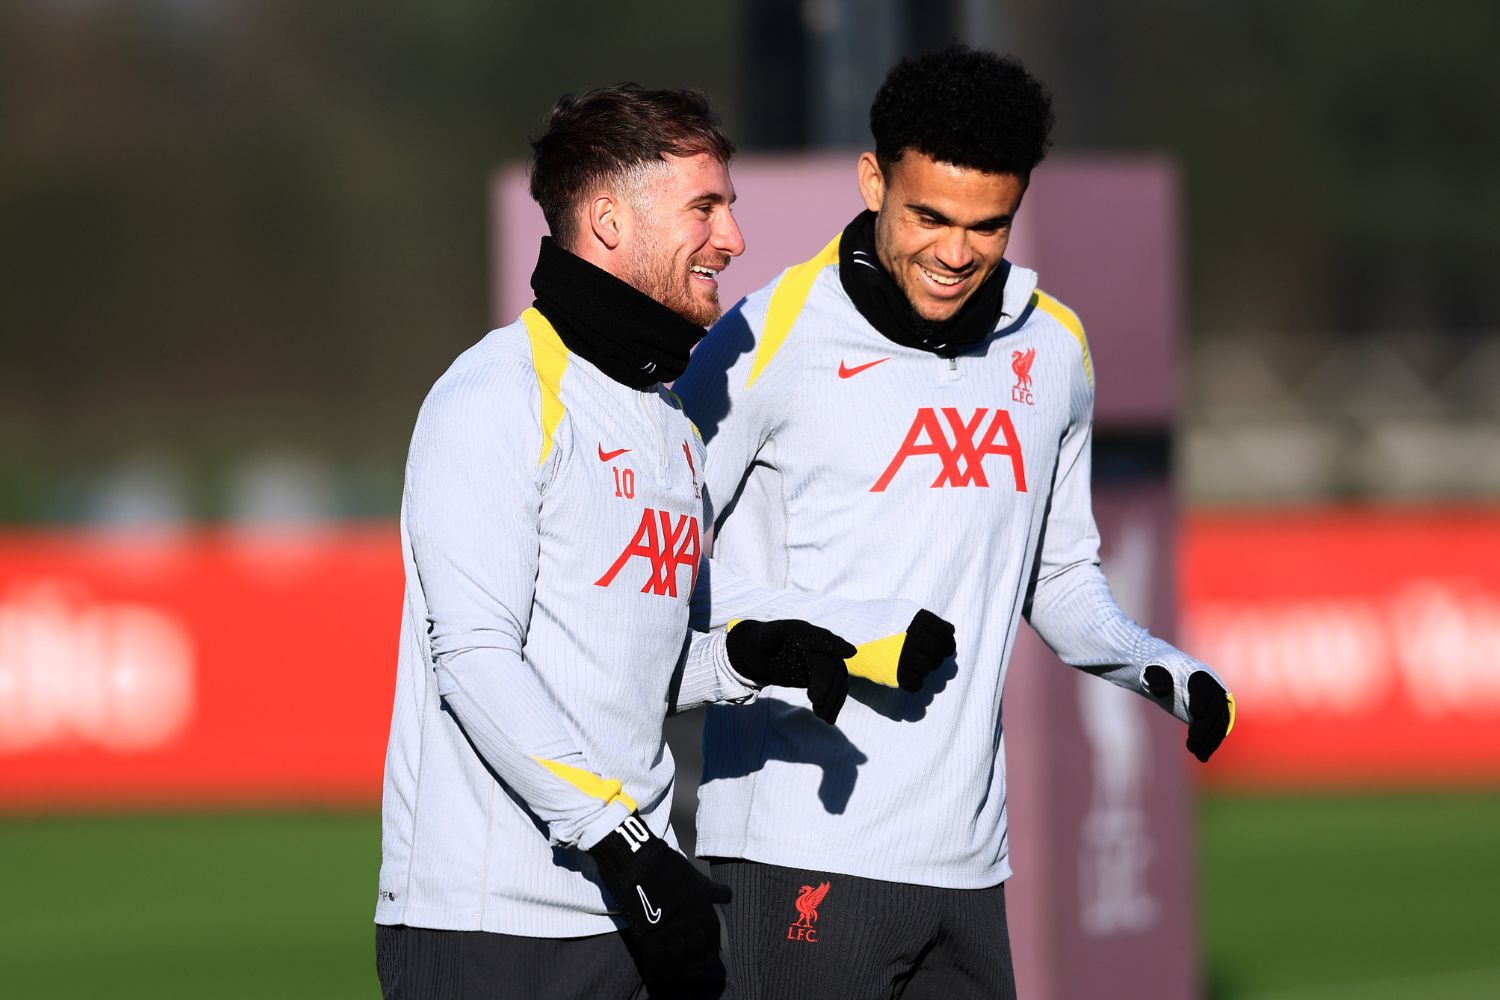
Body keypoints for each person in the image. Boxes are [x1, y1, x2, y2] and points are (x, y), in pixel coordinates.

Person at [673, 46, 1236, 999]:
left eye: (988, 226)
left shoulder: (1052, 346)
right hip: (795, 849)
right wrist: (829, 636)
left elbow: (1057, 579)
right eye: (928, 215)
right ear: (872, 180)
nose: (956, 252)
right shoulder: (765, 338)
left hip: (969, 870)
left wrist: (1164, 668)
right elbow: (659, 565)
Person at [374, 84, 950, 1000]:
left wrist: (743, 661)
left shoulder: (671, 425)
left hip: (640, 906)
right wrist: (621, 838)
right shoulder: (493, 396)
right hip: (495, 928)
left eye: (730, 206)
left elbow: (619, 661)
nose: (733, 239)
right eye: (705, 207)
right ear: (607, 220)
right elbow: (475, 656)